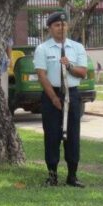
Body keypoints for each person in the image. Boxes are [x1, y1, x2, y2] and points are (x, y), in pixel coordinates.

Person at [33, 11, 88, 187]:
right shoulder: (43, 48)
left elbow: (82, 72)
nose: (61, 28)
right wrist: (53, 97)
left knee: (72, 135)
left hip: (72, 93)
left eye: (64, 25)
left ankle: (72, 176)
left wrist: (69, 65)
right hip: (52, 94)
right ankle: (52, 175)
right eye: (57, 25)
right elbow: (42, 75)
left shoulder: (77, 48)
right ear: (50, 28)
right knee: (52, 135)